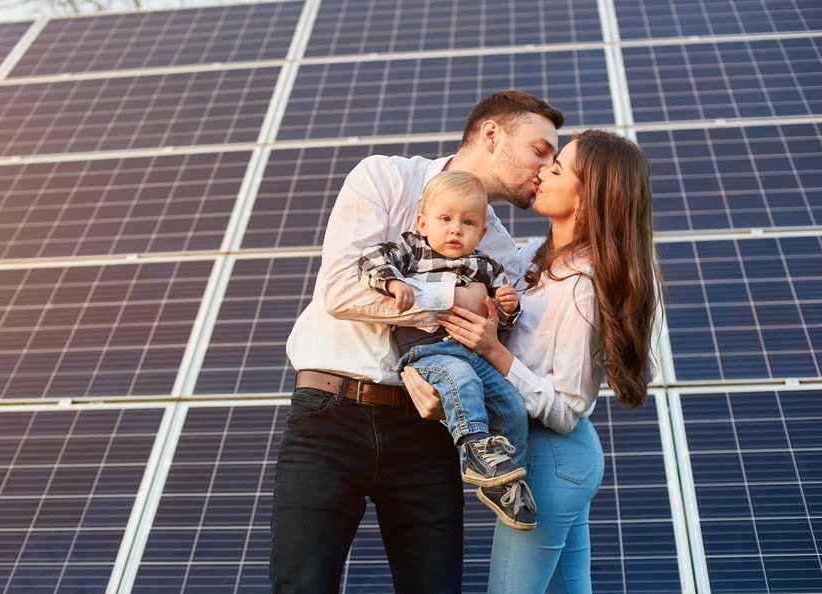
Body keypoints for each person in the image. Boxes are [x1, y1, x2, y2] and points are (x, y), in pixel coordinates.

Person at [271, 89, 562, 594]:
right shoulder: (383, 178)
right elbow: (341, 291)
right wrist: (455, 297)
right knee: (302, 586)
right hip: (329, 415)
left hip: (427, 431)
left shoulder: (502, 255)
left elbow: (491, 341)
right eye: (541, 149)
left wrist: (487, 319)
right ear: (492, 134)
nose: (547, 167)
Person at [403, 130, 660, 593]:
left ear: (584, 201)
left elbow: (565, 409)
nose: (543, 171)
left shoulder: (581, 287)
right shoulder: (531, 260)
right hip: (549, 458)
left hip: (554, 458)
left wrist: (494, 351)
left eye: (557, 168)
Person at [355, 169, 535, 530]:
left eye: (467, 222)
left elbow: (500, 324)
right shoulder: (413, 249)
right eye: (445, 219)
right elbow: (370, 258)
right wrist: (392, 282)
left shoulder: (486, 266)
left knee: (512, 405)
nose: (455, 229)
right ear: (423, 222)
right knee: (461, 379)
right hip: (428, 354)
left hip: (473, 351)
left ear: (481, 232)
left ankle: (506, 480)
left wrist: (508, 307)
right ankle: (474, 451)